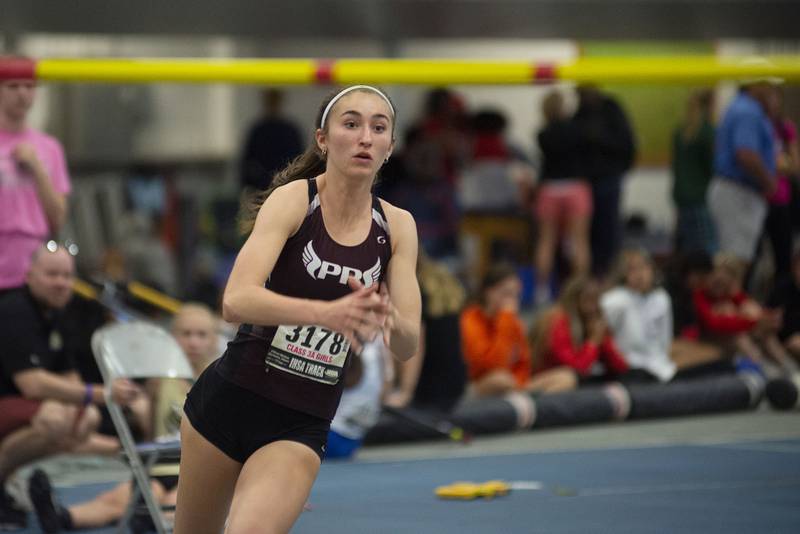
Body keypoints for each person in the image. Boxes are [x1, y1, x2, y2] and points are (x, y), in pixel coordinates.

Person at [174, 85, 421, 534]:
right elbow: (235, 300)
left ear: (390, 146)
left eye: (378, 128)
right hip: (228, 402)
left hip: (299, 424)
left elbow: (407, 345)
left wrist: (388, 319)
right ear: (323, 139)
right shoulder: (294, 200)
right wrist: (324, 313)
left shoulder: (398, 226)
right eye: (351, 124)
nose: (365, 136)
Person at [27, 303, 220, 533]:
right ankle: (63, 516)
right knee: (117, 499)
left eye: (201, 335)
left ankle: (155, 520)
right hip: (159, 461)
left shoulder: (220, 380)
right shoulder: (158, 381)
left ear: (214, 340)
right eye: (186, 334)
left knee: (173, 500)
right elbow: (152, 432)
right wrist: (140, 409)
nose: (193, 342)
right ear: (172, 338)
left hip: (195, 467)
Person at [0, 243, 140, 529]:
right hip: (13, 400)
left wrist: (88, 402)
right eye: (52, 275)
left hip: (24, 406)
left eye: (67, 276)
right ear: (29, 275)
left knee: (86, 417)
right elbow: (32, 384)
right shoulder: (14, 311)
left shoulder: (57, 313)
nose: (62, 283)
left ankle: (12, 482)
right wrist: (101, 394)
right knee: (56, 417)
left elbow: (69, 376)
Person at [0, 59, 71, 293]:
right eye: (13, 86)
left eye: (29, 86)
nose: (22, 94)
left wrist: (37, 169)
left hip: (31, 269)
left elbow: (58, 218)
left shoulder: (50, 148)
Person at [461, 263, 576, 397]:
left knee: (566, 377)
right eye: (506, 294)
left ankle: (534, 407)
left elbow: (523, 363)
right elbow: (492, 366)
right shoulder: (469, 321)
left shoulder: (512, 322)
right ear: (488, 292)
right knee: (500, 380)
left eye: (516, 295)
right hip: (481, 385)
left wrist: (519, 382)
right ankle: (526, 403)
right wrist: (505, 320)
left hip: (514, 386)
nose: (513, 301)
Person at [707, 64, 782, 269]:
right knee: (735, 261)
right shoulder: (747, 111)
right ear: (754, 86)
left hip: (736, 191)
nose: (772, 92)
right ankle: (728, 300)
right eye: (767, 85)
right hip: (738, 192)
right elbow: (746, 154)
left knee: (737, 258)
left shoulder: (743, 108)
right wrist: (770, 182)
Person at [384, 250, 467, 413]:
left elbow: (416, 343)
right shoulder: (440, 279)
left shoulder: (413, 288)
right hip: (455, 384)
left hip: (428, 391)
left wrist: (404, 393)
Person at [532, 90, 592, 306]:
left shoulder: (543, 134)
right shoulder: (577, 130)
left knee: (546, 241)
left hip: (550, 188)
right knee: (579, 241)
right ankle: (580, 291)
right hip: (575, 186)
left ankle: (541, 291)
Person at [571, 84, 636, 278]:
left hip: (608, 177)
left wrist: (598, 139)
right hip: (587, 181)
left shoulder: (611, 111)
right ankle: (593, 274)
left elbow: (625, 142)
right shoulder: (580, 114)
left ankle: (611, 273)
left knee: (609, 227)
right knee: (589, 232)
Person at [533, 276, 629, 385]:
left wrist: (603, 339)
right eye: (588, 300)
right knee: (569, 378)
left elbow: (620, 367)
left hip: (577, 381)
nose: (593, 307)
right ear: (574, 301)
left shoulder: (593, 322)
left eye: (596, 300)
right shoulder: (558, 322)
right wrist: (593, 342)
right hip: (549, 381)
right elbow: (576, 369)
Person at [601, 249, 677, 383]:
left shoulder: (661, 298)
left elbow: (666, 339)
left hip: (660, 366)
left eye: (643, 267)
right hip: (629, 367)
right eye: (632, 269)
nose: (639, 274)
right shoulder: (614, 300)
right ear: (623, 273)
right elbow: (601, 336)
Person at [671, 88, 717, 255]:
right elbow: (712, 168)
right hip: (700, 197)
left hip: (682, 197)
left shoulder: (680, 132)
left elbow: (675, 168)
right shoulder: (706, 133)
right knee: (706, 250)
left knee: (687, 249)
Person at [239, 88, 304, 193]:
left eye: (274, 100)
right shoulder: (258, 131)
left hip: (286, 186)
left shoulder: (290, 131)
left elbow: (299, 161)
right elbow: (247, 164)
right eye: (270, 100)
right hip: (261, 188)